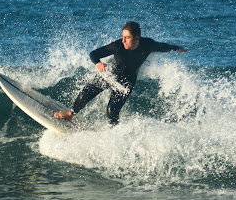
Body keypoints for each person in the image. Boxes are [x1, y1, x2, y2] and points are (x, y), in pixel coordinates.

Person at [54, 21, 187, 125]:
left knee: (112, 112)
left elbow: (163, 46)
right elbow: (94, 53)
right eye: (123, 37)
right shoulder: (118, 45)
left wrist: (177, 48)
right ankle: (71, 113)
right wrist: (97, 63)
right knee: (84, 96)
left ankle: (114, 131)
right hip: (109, 74)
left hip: (126, 82)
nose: (123, 40)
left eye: (127, 38)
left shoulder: (148, 44)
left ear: (136, 38)